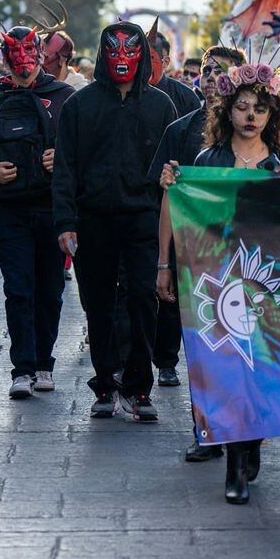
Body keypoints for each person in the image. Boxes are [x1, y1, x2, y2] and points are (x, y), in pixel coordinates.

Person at [157, 60, 280, 503]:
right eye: (242, 107)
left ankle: (251, 443)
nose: (250, 116)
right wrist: (165, 264)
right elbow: (179, 212)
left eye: (259, 109)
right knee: (229, 370)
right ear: (227, 112)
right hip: (217, 283)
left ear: (271, 116)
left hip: (266, 285)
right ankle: (234, 465)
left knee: (261, 372)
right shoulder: (206, 160)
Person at [53, 22, 177, 423]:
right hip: (94, 220)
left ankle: (139, 387)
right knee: (99, 305)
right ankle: (105, 381)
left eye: (130, 50)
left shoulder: (161, 107)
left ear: (142, 54)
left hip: (143, 218)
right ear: (103, 55)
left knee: (144, 300)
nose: (121, 57)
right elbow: (66, 169)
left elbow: (174, 170)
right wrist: (65, 222)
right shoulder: (80, 105)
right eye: (113, 50)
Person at [0, 25, 75, 400]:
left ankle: (44, 364)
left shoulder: (64, 98)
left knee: (51, 291)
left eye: (30, 57)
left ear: (41, 56)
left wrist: (63, 159)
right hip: (9, 212)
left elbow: (86, 155)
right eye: (16, 59)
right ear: (6, 60)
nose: (23, 66)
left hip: (53, 211)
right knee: (20, 290)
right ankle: (22, 368)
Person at [145, 46, 233, 392]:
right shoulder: (180, 129)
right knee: (175, 302)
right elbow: (162, 188)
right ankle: (166, 360)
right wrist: (162, 257)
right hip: (188, 232)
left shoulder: (253, 128)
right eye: (208, 70)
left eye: (222, 70)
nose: (213, 77)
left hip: (235, 236)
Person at [147, 26, 203, 119]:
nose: (145, 62)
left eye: (151, 57)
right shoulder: (126, 91)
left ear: (165, 62)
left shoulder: (186, 97)